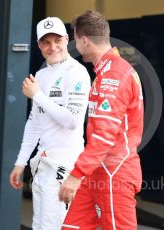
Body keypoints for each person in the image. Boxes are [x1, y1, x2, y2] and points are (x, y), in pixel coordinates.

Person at [59, 10, 144, 230]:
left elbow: (104, 136)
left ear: (85, 41)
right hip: (96, 171)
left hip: (115, 173)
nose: (76, 46)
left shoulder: (113, 75)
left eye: (76, 40)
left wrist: (76, 175)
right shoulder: (106, 71)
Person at [9, 16, 91, 230]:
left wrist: (37, 96)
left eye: (57, 40)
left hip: (64, 166)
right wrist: (21, 162)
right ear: (39, 45)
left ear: (66, 39)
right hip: (42, 165)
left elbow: (72, 121)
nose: (52, 47)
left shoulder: (77, 73)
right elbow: (35, 122)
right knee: (40, 226)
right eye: (46, 42)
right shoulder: (41, 74)